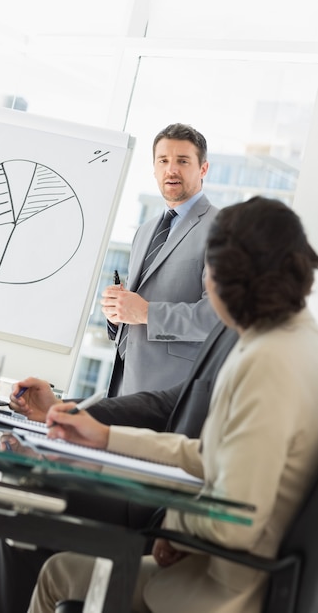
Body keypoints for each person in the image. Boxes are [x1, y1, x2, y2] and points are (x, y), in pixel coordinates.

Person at [28, 196, 318, 613]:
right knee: (62, 567)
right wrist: (106, 436)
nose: (205, 283)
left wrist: (174, 527)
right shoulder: (296, 341)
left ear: (230, 281)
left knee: (59, 573)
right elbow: (209, 455)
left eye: (209, 271)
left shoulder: (267, 362)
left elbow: (237, 519)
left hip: (222, 593)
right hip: (237, 576)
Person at [0, 320, 239, 613]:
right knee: (27, 500)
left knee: (30, 508)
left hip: (175, 527)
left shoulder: (267, 353)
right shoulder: (231, 331)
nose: (210, 274)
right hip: (155, 505)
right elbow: (166, 405)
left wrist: (180, 525)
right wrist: (62, 410)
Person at [101, 123, 219, 396]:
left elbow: (216, 317)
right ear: (154, 169)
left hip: (171, 393)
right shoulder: (145, 231)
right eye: (163, 161)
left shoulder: (223, 229)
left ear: (203, 169)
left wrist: (145, 312)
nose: (171, 169)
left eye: (182, 161)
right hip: (123, 386)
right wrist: (117, 314)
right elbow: (138, 310)